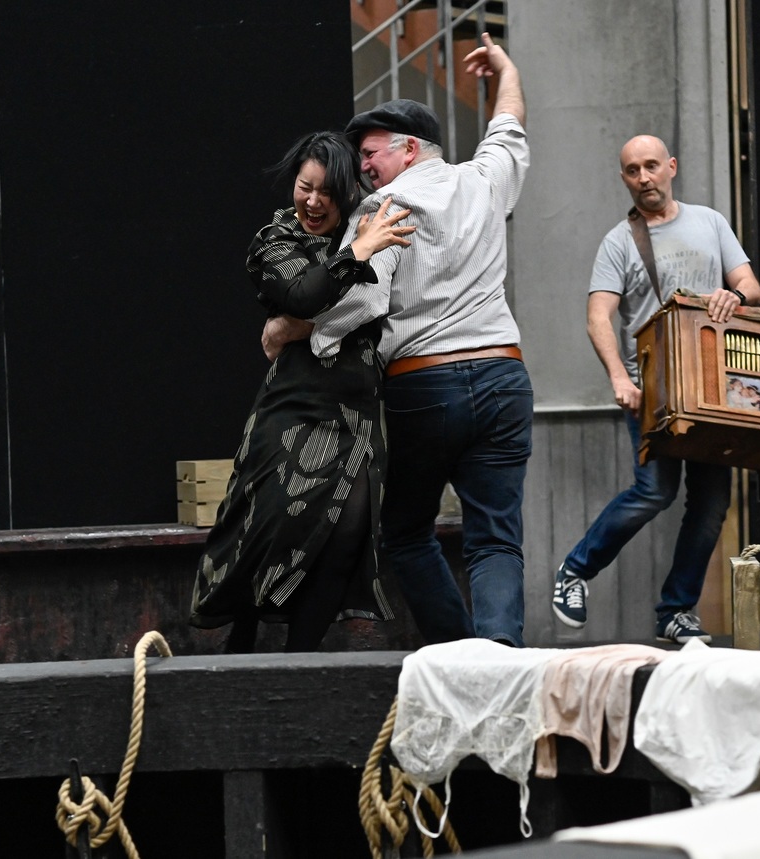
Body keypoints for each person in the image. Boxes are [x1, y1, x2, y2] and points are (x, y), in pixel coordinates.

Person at [261, 34, 532, 646]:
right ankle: (500, 665)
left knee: (407, 534)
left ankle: (462, 658)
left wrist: (296, 329)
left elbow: (363, 299)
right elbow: (509, 124)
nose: (362, 167)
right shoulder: (483, 181)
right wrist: (507, 69)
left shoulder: (383, 207)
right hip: (503, 376)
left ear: (410, 150)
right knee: (497, 539)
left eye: (371, 153)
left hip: (425, 383)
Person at [189, 131, 415, 653]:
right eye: (304, 187)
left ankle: (301, 661)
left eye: (326, 193)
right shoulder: (279, 237)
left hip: (358, 412)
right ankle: (240, 644)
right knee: (265, 530)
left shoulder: (372, 228)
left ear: (346, 193)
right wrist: (356, 251)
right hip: (292, 407)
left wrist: (361, 248)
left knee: (343, 541)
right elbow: (301, 294)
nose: (312, 202)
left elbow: (377, 299)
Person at [551, 134, 760, 643]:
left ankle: (676, 611)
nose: (643, 177)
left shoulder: (710, 221)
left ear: (671, 167)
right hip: (652, 387)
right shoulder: (619, 241)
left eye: (651, 166)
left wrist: (733, 297)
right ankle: (575, 571)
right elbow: (598, 315)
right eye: (631, 170)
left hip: (715, 383)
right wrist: (619, 378)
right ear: (624, 178)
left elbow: (751, 287)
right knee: (654, 492)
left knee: (711, 505)